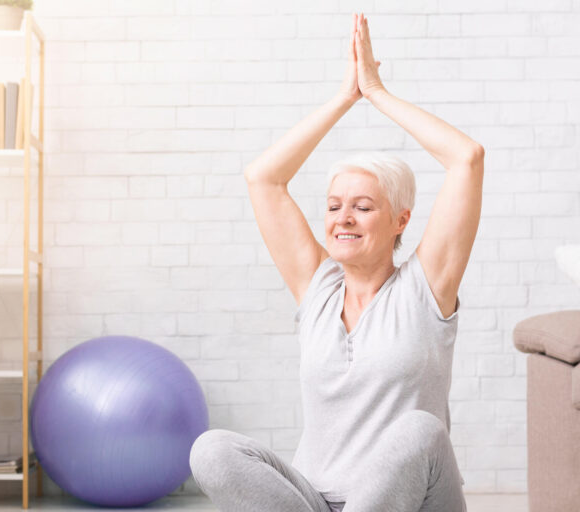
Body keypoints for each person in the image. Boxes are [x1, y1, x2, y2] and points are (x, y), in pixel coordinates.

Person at [190, 12, 483, 512]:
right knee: (211, 450)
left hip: (412, 499)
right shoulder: (318, 285)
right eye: (333, 205)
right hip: (318, 500)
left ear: (400, 220)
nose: (343, 217)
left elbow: (466, 158)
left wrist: (376, 92)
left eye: (363, 206)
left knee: (419, 429)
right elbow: (263, 178)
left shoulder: (426, 285)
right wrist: (343, 98)